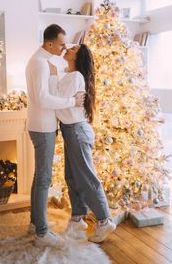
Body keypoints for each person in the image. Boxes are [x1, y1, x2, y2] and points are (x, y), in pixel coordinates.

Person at [48, 44, 116, 243]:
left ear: (78, 57)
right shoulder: (69, 75)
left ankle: (104, 221)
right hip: (71, 131)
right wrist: (55, 77)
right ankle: (78, 218)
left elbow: (56, 102)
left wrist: (52, 77)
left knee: (86, 178)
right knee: (71, 176)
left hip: (77, 131)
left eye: (73, 49)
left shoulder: (76, 76)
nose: (67, 48)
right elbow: (60, 101)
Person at [25, 24, 85, 248]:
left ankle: (35, 223)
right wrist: (72, 102)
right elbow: (42, 99)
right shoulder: (40, 63)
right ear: (49, 43)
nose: (64, 48)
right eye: (61, 44)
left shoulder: (43, 62)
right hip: (42, 127)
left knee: (39, 177)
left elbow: (46, 93)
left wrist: (53, 78)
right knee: (43, 179)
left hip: (42, 124)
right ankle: (42, 233)